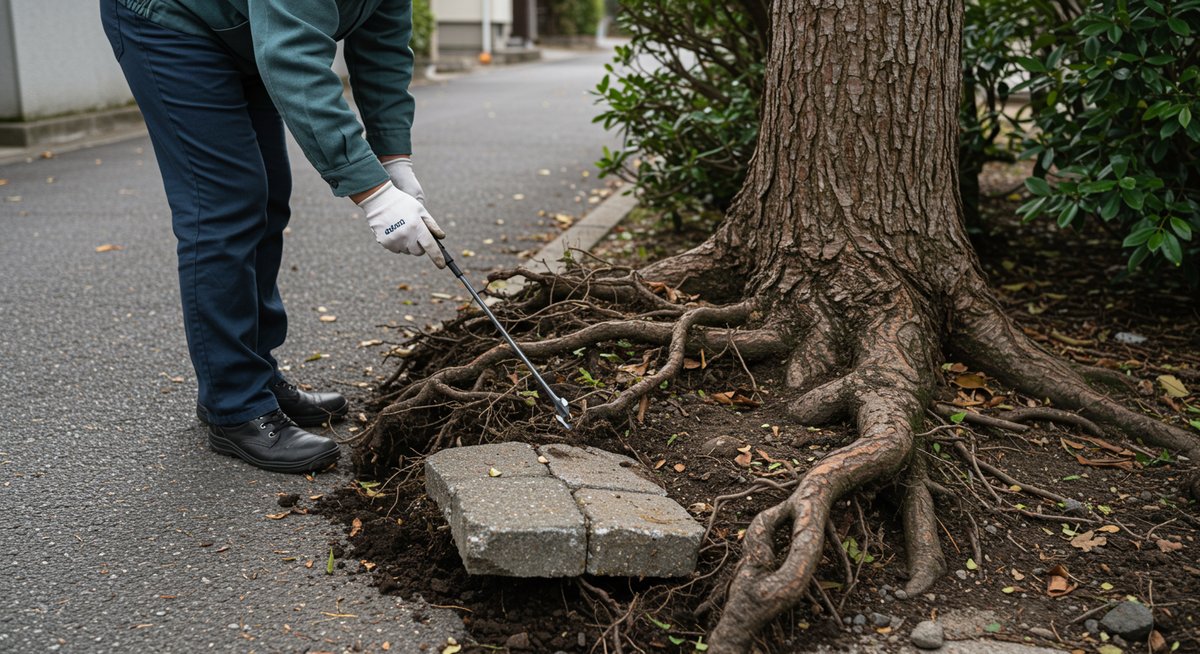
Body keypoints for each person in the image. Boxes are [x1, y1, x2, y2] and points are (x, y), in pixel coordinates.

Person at [100, 0, 446, 473]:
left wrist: (393, 157)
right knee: (225, 205)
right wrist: (376, 197)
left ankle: (253, 373)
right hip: (171, 21)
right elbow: (293, 59)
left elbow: (382, 46)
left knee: (268, 198)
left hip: (245, 31)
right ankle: (234, 404)